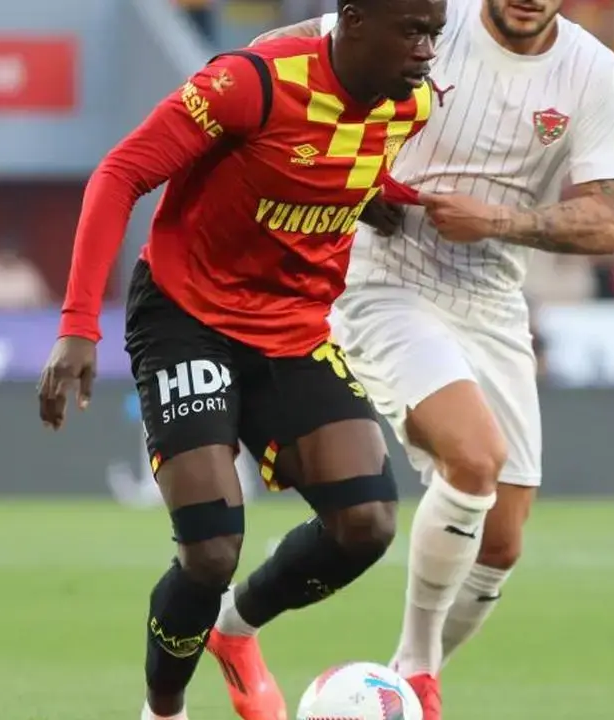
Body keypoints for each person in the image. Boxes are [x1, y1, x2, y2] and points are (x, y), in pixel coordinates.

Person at [35, 0, 443, 716]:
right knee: (212, 551)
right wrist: (77, 325)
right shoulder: (250, 84)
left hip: (293, 329)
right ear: (352, 21)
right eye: (412, 31)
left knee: (367, 523)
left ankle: (234, 629)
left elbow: (329, 158)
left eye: (434, 33)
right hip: (185, 314)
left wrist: (380, 193)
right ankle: (164, 708)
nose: (427, 51)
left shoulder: (411, 105)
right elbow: (121, 172)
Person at [245, 0, 614, 717]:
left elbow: (609, 221)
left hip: (493, 297)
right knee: (474, 458)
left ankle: (400, 671)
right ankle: (421, 674)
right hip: (383, 277)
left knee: (501, 543)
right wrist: (354, 177)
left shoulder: (593, 71)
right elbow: (278, 52)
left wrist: (500, 220)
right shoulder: (428, 19)